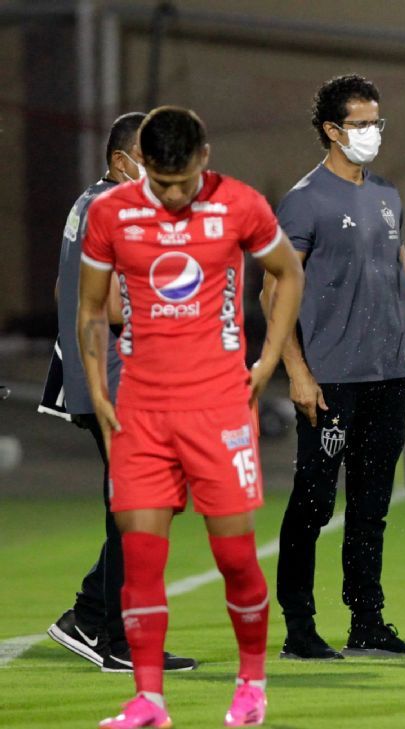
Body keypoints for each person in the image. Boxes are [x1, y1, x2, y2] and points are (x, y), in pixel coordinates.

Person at [78, 106, 304, 727]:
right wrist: (99, 389)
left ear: (204, 157)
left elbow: (288, 272)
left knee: (235, 559)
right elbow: (92, 309)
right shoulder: (110, 212)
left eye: (183, 183)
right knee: (141, 561)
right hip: (142, 413)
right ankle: (148, 699)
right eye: (160, 181)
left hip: (218, 408)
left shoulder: (241, 205)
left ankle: (251, 684)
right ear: (140, 165)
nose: (173, 195)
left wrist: (269, 360)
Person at [264, 74, 405, 660]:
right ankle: (299, 628)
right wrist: (296, 370)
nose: (372, 134)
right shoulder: (304, 200)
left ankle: (367, 623)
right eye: (361, 124)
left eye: (376, 123)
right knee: (314, 503)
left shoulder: (388, 194)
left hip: (388, 374)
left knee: (372, 507)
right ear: (332, 130)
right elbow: (273, 294)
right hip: (331, 378)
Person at [42, 112, 198, 673]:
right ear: (121, 161)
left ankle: (90, 616)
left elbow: (67, 285)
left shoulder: (88, 206)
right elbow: (110, 303)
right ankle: (111, 637)